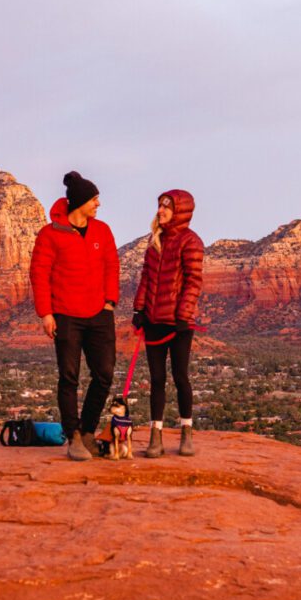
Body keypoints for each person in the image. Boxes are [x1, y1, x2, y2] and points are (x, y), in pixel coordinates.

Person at [30, 171, 119, 461]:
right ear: (79, 202)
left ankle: (88, 431)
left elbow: (112, 266)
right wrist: (46, 313)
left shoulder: (102, 231)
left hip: (99, 314)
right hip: (65, 315)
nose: (98, 204)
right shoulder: (50, 234)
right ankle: (74, 438)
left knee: (104, 374)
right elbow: (39, 274)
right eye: (94, 199)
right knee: (69, 378)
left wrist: (110, 302)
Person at [132, 190, 204, 457]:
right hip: (154, 321)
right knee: (157, 379)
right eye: (160, 206)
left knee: (180, 376)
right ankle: (156, 436)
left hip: (179, 323)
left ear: (180, 211)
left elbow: (194, 282)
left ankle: (186, 433)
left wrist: (184, 315)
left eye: (166, 207)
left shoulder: (191, 242)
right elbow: (145, 279)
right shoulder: (155, 242)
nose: (160, 211)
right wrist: (139, 309)